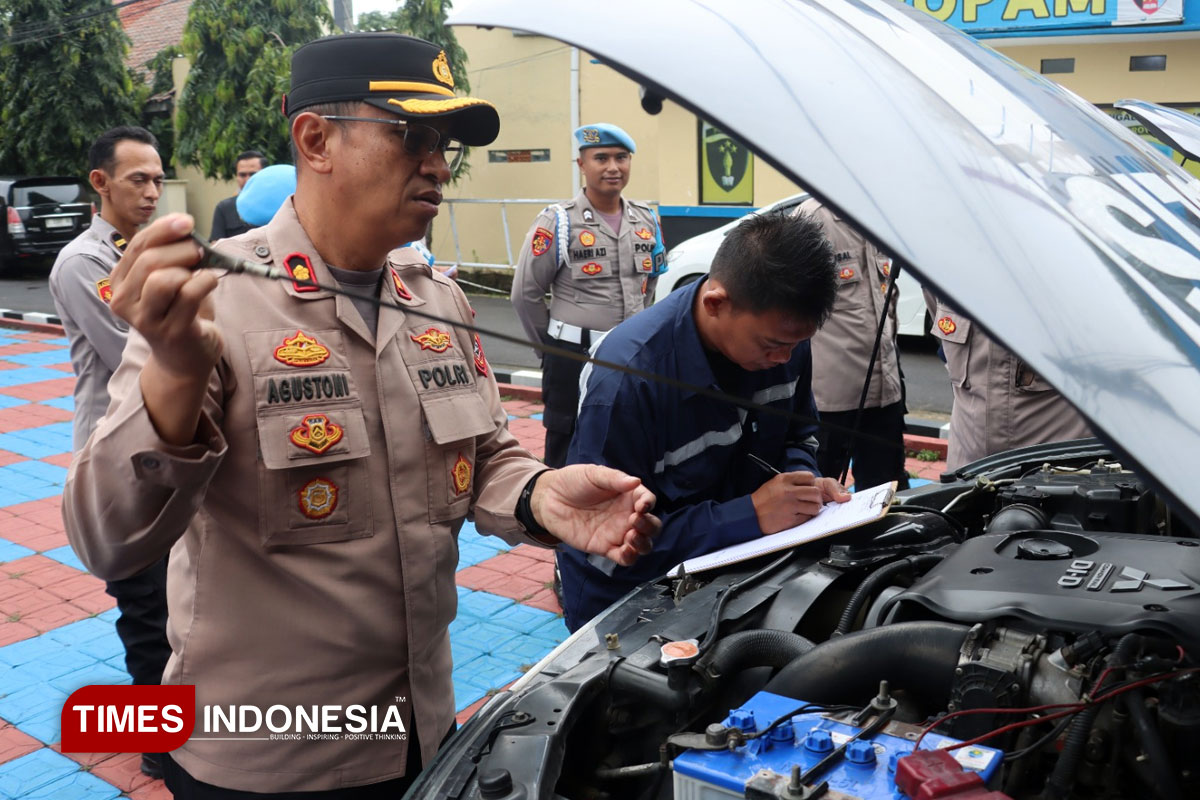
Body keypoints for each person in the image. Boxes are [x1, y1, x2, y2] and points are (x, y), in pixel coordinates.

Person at [62, 33, 659, 797]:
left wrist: (540, 496)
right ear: (316, 140)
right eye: (412, 136)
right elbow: (106, 538)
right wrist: (176, 372)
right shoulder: (214, 300)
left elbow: (483, 454)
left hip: (422, 732)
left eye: (443, 144)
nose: (439, 163)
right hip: (273, 761)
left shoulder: (435, 298)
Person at [557, 211, 850, 632]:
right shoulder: (627, 379)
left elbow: (800, 433)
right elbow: (606, 543)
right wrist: (749, 515)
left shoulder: (783, 342)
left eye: (796, 345)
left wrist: (800, 484)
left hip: (736, 578)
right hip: (629, 604)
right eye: (773, 345)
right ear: (716, 303)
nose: (784, 361)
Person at [48, 125, 171, 781]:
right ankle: (160, 743)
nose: (152, 192)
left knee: (180, 597)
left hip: (167, 450)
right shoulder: (83, 263)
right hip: (119, 462)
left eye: (157, 179)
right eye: (137, 180)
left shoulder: (148, 249)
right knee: (148, 608)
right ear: (100, 183)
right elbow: (139, 349)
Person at [510, 123, 666, 467]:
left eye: (621, 157)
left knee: (628, 439)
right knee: (566, 446)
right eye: (602, 158)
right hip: (573, 356)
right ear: (581, 164)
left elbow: (650, 286)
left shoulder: (646, 219)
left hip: (630, 356)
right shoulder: (558, 222)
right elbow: (525, 294)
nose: (613, 167)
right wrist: (551, 348)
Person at [796, 198, 909, 491]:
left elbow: (887, 300)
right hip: (831, 398)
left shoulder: (881, 220)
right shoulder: (813, 219)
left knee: (886, 492)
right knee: (821, 494)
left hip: (884, 390)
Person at [925, 291, 1093, 471]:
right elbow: (945, 345)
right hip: (966, 470)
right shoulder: (947, 269)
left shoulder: (1085, 278)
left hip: (1059, 473)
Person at [209, 149, 266, 239]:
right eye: (242, 175)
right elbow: (216, 245)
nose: (247, 180)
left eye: (253, 174)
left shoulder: (279, 205)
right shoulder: (224, 208)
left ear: (265, 174)